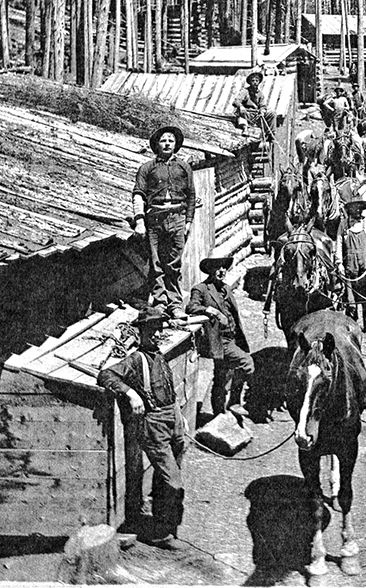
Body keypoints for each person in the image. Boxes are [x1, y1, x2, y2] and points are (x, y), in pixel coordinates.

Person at [97, 308, 186, 551]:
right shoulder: (136, 359)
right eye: (151, 330)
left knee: (169, 472)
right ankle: (160, 532)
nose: (156, 334)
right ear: (141, 333)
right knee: (173, 480)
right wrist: (130, 393)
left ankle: (162, 520)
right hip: (154, 423)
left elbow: (168, 390)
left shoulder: (159, 355)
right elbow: (106, 375)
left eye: (159, 329)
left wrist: (179, 415)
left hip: (173, 419)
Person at [132, 125, 196, 319]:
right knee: (156, 263)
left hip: (177, 218)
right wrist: (140, 221)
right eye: (163, 140)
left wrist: (188, 221)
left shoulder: (184, 167)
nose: (167, 144)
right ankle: (160, 303)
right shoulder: (147, 168)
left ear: (176, 144)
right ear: (156, 145)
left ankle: (175, 305)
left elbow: (191, 195)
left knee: (174, 263)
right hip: (155, 218)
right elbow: (138, 194)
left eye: (171, 140)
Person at [186, 250, 253, 420]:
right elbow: (191, 307)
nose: (222, 270)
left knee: (221, 376)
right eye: (218, 268)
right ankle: (234, 401)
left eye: (224, 267)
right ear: (210, 270)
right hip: (218, 340)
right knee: (247, 363)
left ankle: (218, 414)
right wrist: (211, 310)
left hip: (233, 338)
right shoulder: (201, 289)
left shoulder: (226, 288)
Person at [334, 196, 366, 334]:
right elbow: (339, 244)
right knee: (349, 297)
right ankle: (351, 325)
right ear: (350, 209)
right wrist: (339, 263)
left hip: (364, 266)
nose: (357, 210)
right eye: (354, 208)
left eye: (359, 208)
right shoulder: (344, 224)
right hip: (349, 266)